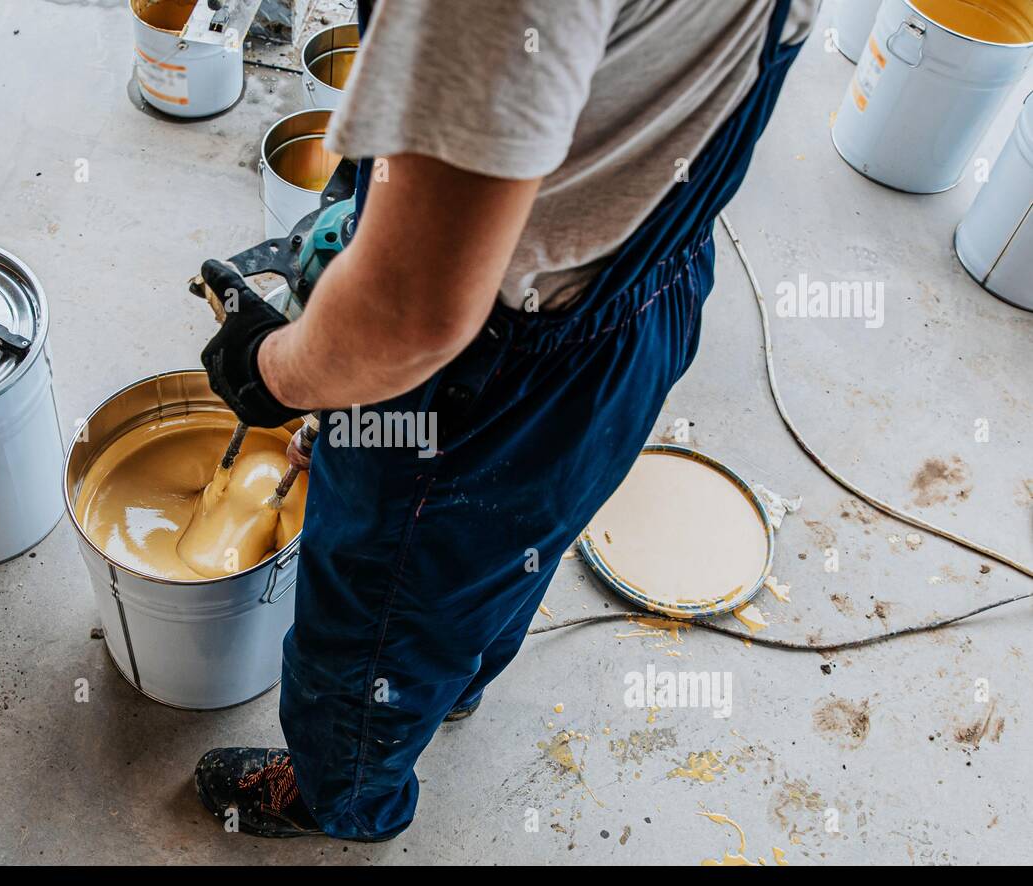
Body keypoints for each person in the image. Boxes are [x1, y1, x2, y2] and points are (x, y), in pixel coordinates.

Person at [194, 0, 818, 840]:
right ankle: (452, 683)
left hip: (489, 377)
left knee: (369, 629)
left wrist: (273, 374)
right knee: (506, 555)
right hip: (641, 299)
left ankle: (342, 798)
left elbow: (413, 313)